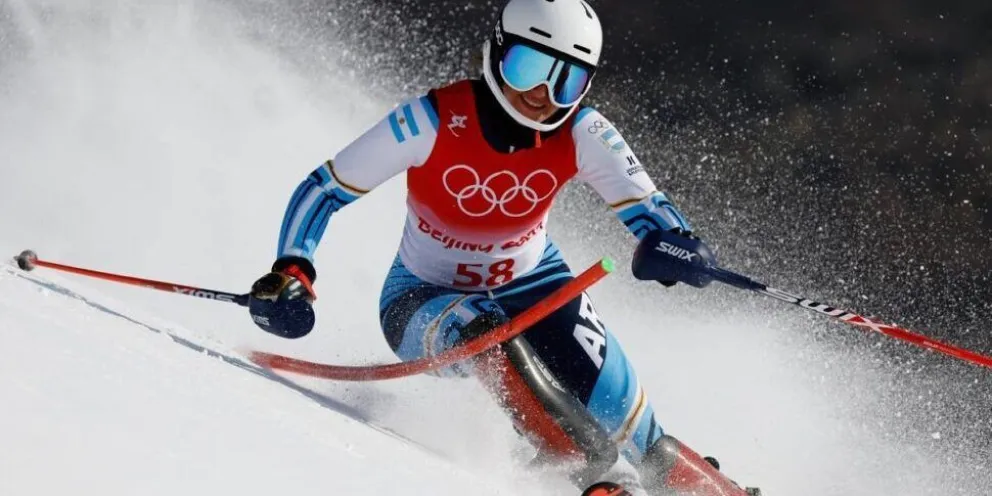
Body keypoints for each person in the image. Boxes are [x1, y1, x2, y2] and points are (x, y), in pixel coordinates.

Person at [248, 1, 759, 494]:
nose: (541, 93)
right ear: (496, 53)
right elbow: (325, 188)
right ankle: (594, 477)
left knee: (629, 422)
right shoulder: (433, 120)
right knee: (487, 335)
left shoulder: (584, 130)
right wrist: (294, 268)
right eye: (528, 67)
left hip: (536, 283)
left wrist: (674, 245)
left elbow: (649, 209)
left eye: (567, 80)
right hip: (420, 299)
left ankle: (717, 493)